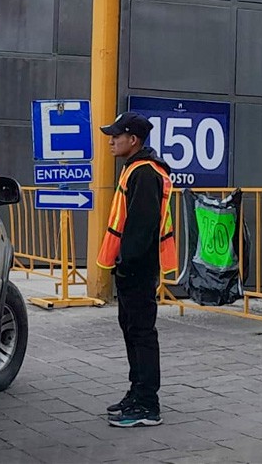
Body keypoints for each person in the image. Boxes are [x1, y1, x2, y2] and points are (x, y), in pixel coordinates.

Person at [96, 112, 177, 428]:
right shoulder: (135, 169)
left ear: (134, 139)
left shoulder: (144, 173)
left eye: (117, 135)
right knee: (132, 330)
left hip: (138, 268)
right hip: (132, 268)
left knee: (141, 333)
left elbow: (142, 226)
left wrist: (127, 264)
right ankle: (136, 392)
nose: (111, 140)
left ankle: (147, 404)